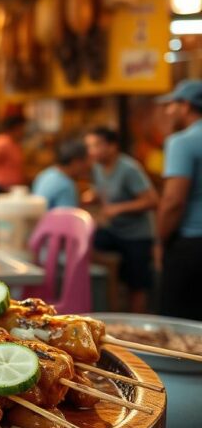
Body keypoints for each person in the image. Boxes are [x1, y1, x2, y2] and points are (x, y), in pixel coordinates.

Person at [85, 126, 158, 313]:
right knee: (91, 247)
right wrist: (93, 196)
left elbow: (151, 200)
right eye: (89, 146)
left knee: (138, 284)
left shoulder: (129, 169)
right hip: (114, 231)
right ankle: (108, 306)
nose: (91, 151)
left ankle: (136, 324)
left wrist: (118, 209)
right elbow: (105, 192)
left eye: (96, 145)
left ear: (112, 146)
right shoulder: (97, 168)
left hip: (137, 235)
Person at [156, 80, 202, 320]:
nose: (168, 111)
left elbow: (173, 201)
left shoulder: (182, 141)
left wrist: (160, 241)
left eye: (171, 104)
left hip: (191, 246)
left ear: (185, 106)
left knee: (180, 326)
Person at [31, 140, 89, 209]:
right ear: (76, 162)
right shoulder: (65, 185)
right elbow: (67, 217)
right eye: (85, 161)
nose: (86, 166)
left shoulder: (45, 174)